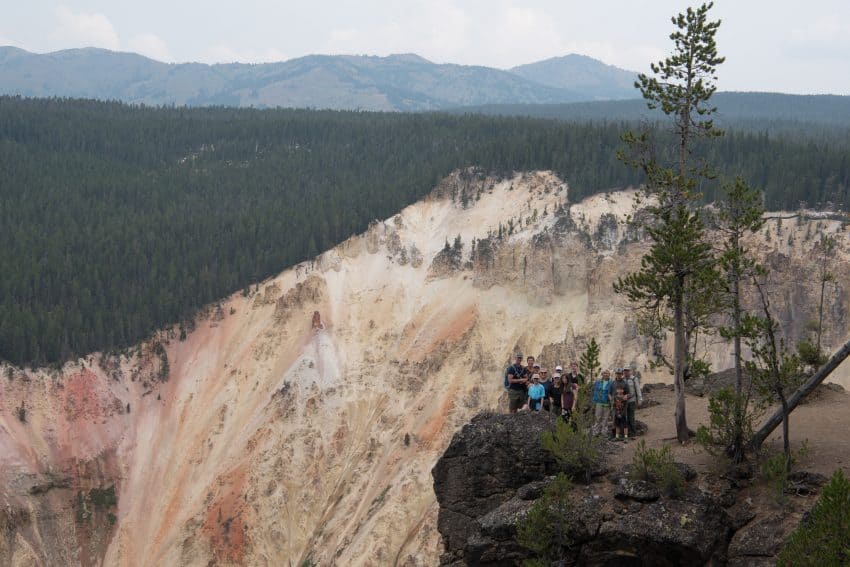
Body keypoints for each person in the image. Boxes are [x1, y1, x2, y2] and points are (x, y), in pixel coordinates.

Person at [609, 368, 630, 438]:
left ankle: (624, 436)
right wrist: (611, 400)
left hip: (623, 405)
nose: (619, 375)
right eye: (617, 373)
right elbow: (609, 393)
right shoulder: (612, 383)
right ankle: (615, 435)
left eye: (620, 374)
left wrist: (626, 396)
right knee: (615, 420)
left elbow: (629, 393)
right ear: (616, 374)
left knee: (624, 420)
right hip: (615, 405)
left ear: (622, 374)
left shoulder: (625, 383)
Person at [591, 369, 612, 435]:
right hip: (599, 402)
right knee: (598, 417)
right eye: (604, 373)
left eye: (607, 373)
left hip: (607, 402)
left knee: (605, 418)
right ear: (602, 374)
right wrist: (594, 401)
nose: (605, 374)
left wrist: (612, 402)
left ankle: (604, 432)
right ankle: (596, 431)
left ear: (609, 375)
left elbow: (612, 393)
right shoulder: (598, 382)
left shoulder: (611, 383)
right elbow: (595, 392)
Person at [624, 366, 643, 437]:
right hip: (624, 402)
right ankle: (628, 433)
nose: (626, 372)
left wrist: (640, 400)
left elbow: (638, 389)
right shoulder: (623, 379)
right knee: (625, 417)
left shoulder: (634, 379)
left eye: (627, 371)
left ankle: (633, 433)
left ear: (630, 371)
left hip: (631, 401)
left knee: (631, 417)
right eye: (625, 371)